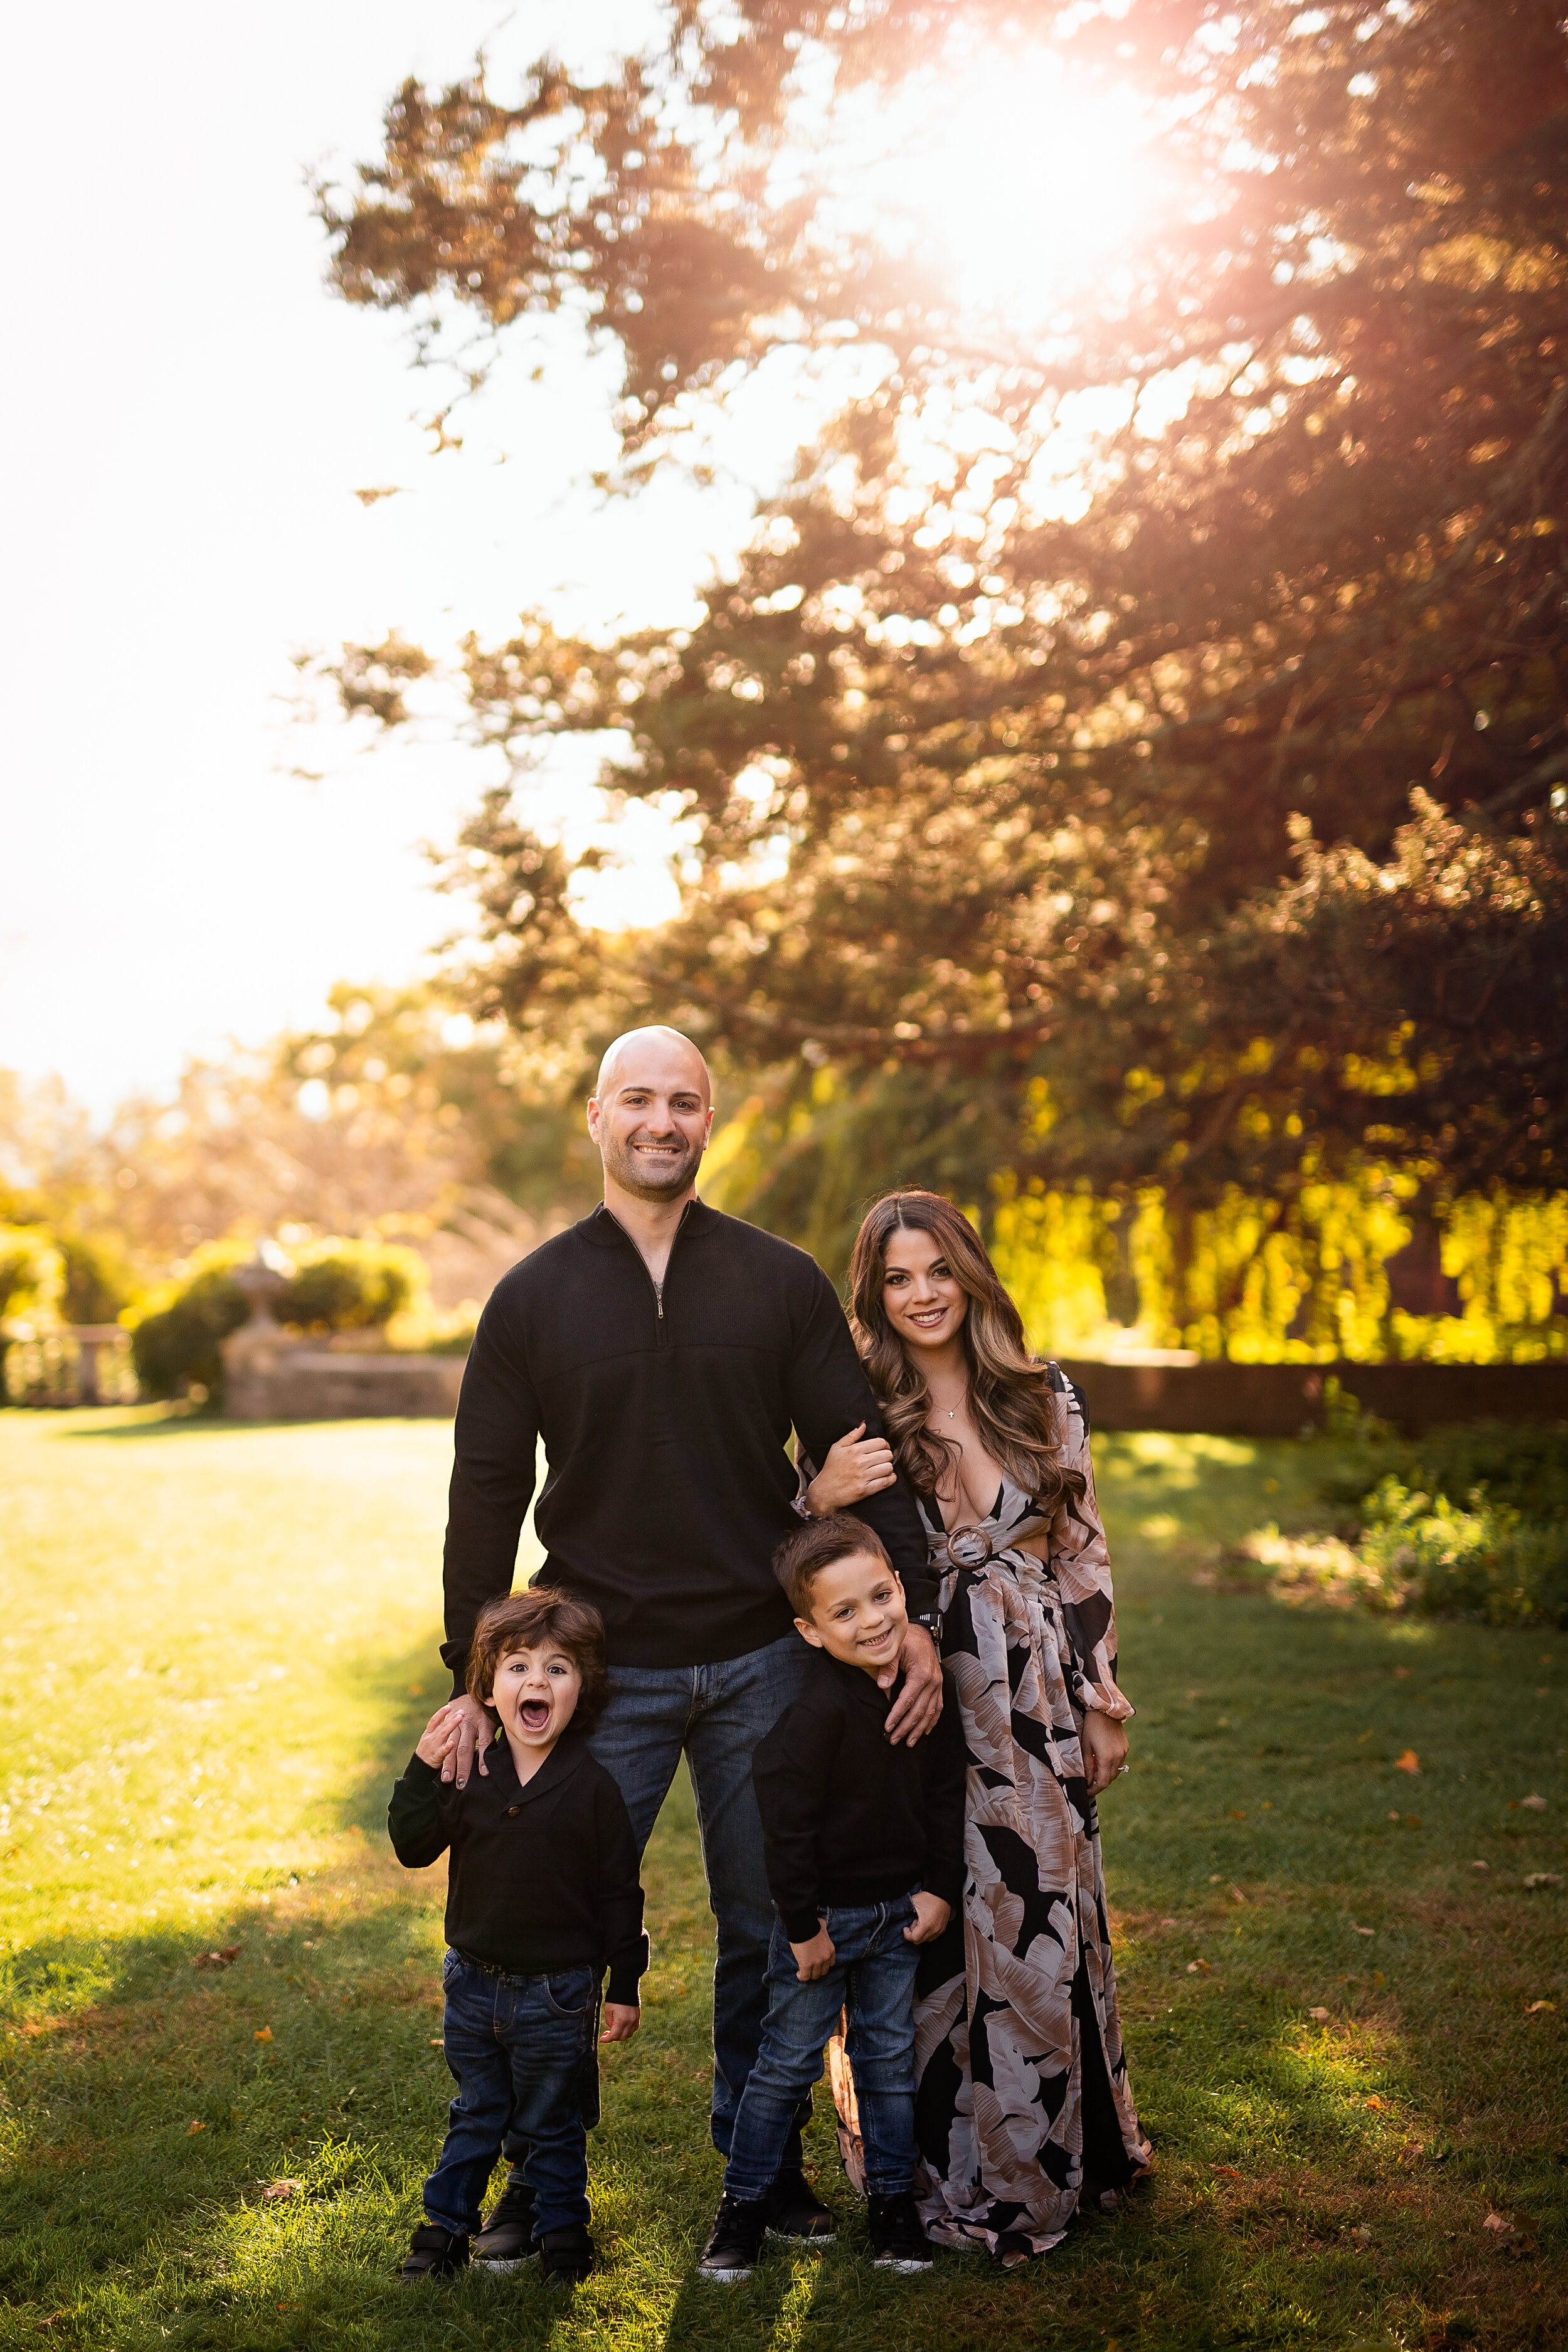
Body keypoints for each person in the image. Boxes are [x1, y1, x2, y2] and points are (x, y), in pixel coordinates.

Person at [424, 1026, 941, 2242]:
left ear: (711, 1123)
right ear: (595, 1117)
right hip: (600, 1666)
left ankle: (763, 2167)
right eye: (639, 1100)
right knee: (547, 1929)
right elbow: (484, 1490)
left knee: (775, 1925)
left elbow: (860, 1457)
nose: (663, 1122)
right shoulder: (534, 1296)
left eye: (687, 1103)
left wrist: (903, 1617)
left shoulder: (776, 1281)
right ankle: (530, 2183)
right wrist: (469, 1672)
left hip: (766, 1657)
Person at [802, 1190, 1152, 2264]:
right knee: (933, 1920)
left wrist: (1100, 1697)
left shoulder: (1041, 1394)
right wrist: (817, 1490)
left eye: (937, 1271)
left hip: (1035, 1693)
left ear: (969, 1274)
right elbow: (813, 1556)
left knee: (1037, 1914)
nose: (921, 1295)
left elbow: (1081, 1551)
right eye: (897, 1278)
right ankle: (929, 2159)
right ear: (874, 1292)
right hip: (912, 1691)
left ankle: (1047, 2157)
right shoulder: (858, 1408)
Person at [697, 1513, 965, 2284]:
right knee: (782, 2067)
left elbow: (946, 1796)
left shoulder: (922, 1695)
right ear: (809, 1632)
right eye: (843, 1613)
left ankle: (891, 2209)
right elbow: (783, 1835)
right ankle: (742, 2207)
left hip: (897, 1920)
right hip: (822, 1928)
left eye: (880, 1597)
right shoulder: (808, 1722)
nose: (871, 1620)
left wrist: (938, 1888)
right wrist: (804, 1928)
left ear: (900, 1591)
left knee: (885, 2064)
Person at [388, 1586, 647, 2288]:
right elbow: (412, 1846)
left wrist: (623, 1983)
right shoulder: (470, 1773)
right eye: (518, 1668)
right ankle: (443, 2232)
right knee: (477, 2114)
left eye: (558, 1669)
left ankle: (562, 2233)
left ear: (582, 1687)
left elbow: (620, 1894)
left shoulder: (593, 1788)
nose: (537, 1682)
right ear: (488, 1689)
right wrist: (421, 1764)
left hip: (559, 1992)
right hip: (472, 1984)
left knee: (552, 2121)